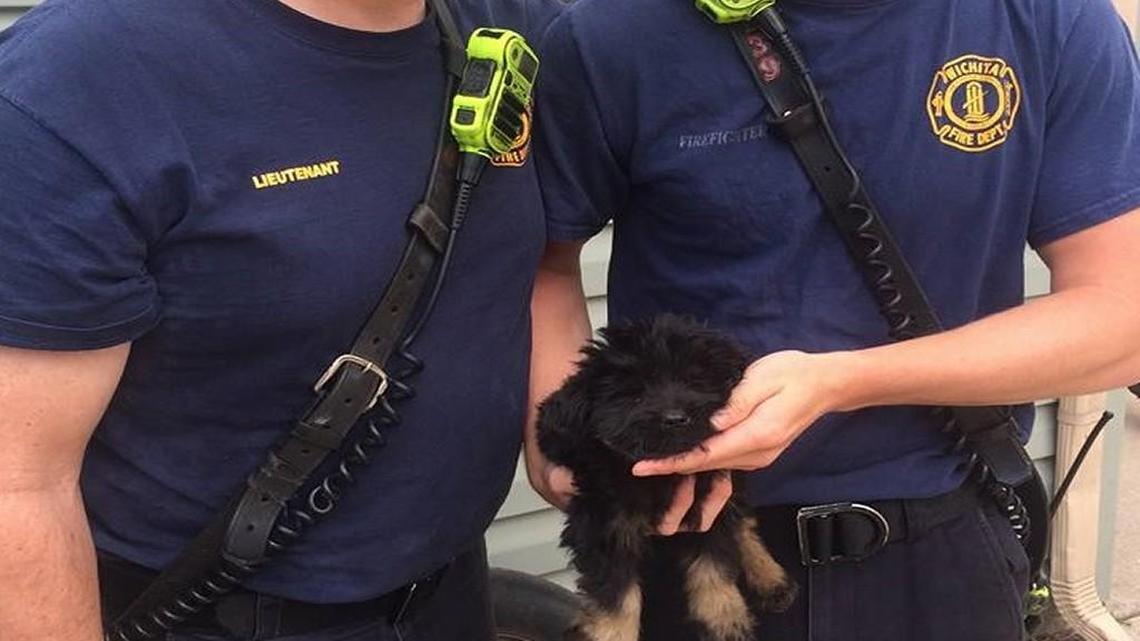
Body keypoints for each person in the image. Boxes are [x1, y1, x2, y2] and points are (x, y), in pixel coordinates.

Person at [526, 0, 1140, 639]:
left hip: (944, 538)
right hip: (686, 537)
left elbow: (1124, 313)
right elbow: (546, 263)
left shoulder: (1047, 20)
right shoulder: (613, 36)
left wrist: (846, 381)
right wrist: (554, 440)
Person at [0, 0, 560, 639]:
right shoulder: (84, 78)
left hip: (449, 590)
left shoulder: (508, 20)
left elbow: (542, 269)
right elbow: (18, 485)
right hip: (213, 613)